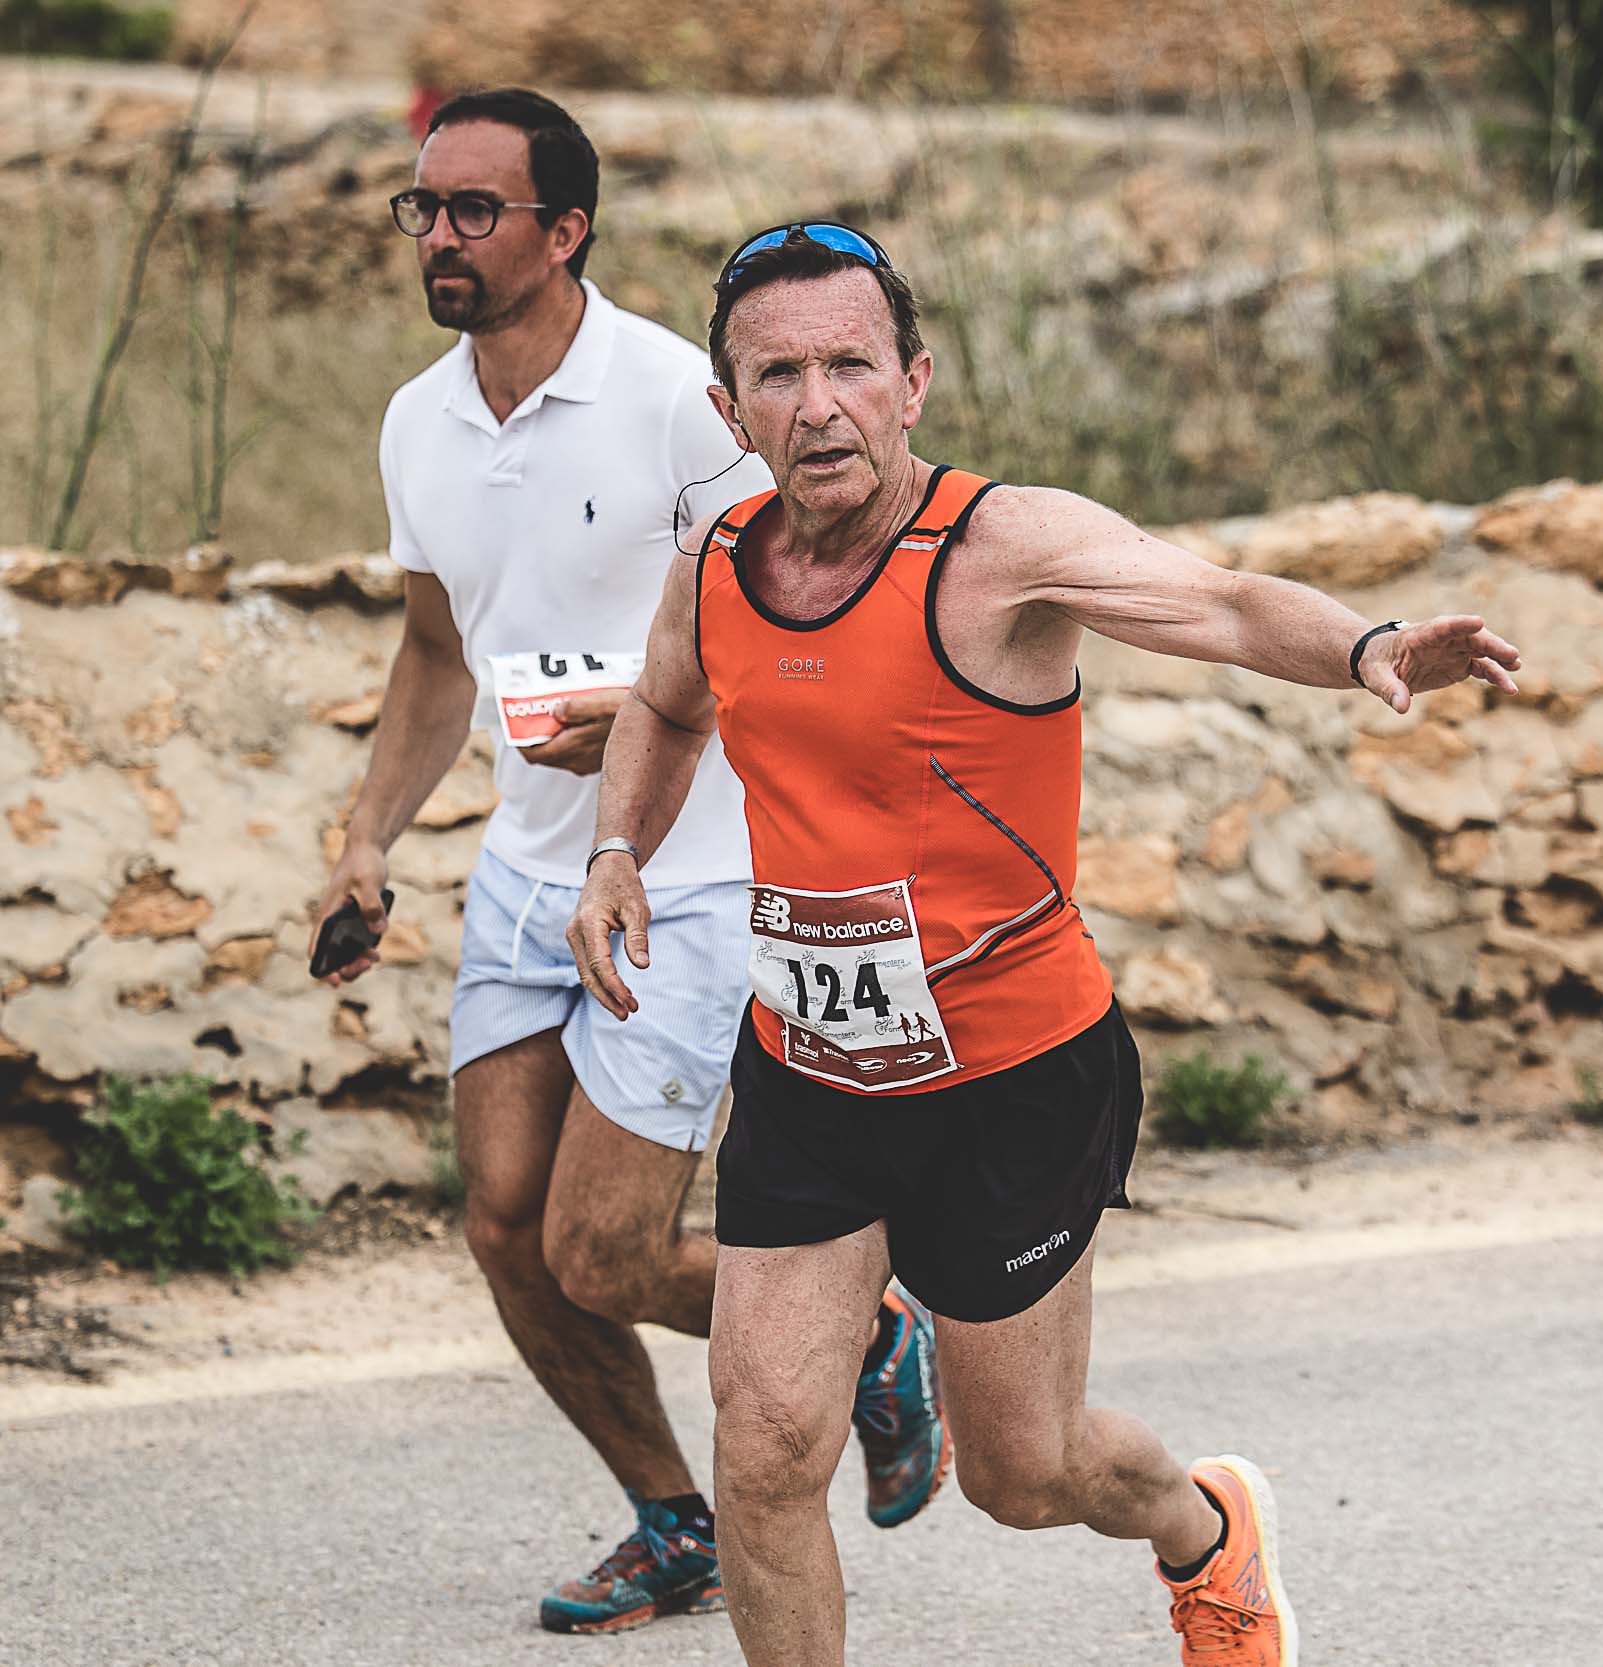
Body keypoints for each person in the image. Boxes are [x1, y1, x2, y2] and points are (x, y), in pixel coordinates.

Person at [563, 220, 1523, 1666]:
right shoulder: (718, 557)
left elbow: (1219, 599)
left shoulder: (1000, 549)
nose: (818, 405)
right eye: (778, 375)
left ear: (913, 382)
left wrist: (1365, 644)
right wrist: (617, 850)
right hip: (813, 1064)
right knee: (763, 1448)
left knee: (1025, 1470)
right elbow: (663, 701)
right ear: (728, 408)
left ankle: (1204, 1524)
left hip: (1012, 1074)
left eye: (850, 365)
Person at [309, 97, 948, 1638]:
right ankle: (676, 1520)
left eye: (476, 210)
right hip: (528, 868)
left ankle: (871, 1327)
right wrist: (367, 837)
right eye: (423, 209)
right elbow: (436, 651)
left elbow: (795, 604)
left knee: (601, 1245)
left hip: (698, 869)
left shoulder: (677, 396)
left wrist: (658, 708)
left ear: (565, 231)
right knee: (504, 1226)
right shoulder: (417, 421)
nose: (440, 236)